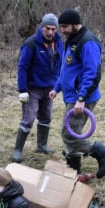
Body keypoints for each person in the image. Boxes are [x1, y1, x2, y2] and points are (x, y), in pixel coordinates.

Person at [49, 9, 105, 178]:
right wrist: (57, 88)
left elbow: (92, 73)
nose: (62, 30)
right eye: (61, 27)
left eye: (65, 26)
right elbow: (67, 69)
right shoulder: (72, 39)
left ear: (76, 24)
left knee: (68, 133)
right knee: (73, 130)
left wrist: (81, 99)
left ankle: (103, 153)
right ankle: (74, 169)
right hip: (72, 96)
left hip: (81, 97)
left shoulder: (88, 42)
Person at [12, 13, 63, 163]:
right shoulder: (31, 43)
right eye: (48, 28)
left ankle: (41, 145)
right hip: (32, 88)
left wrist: (58, 84)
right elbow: (22, 68)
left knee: (46, 117)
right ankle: (17, 150)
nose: (50, 32)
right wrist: (22, 90)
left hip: (50, 87)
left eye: (54, 29)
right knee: (28, 118)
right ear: (41, 27)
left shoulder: (59, 42)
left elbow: (60, 64)